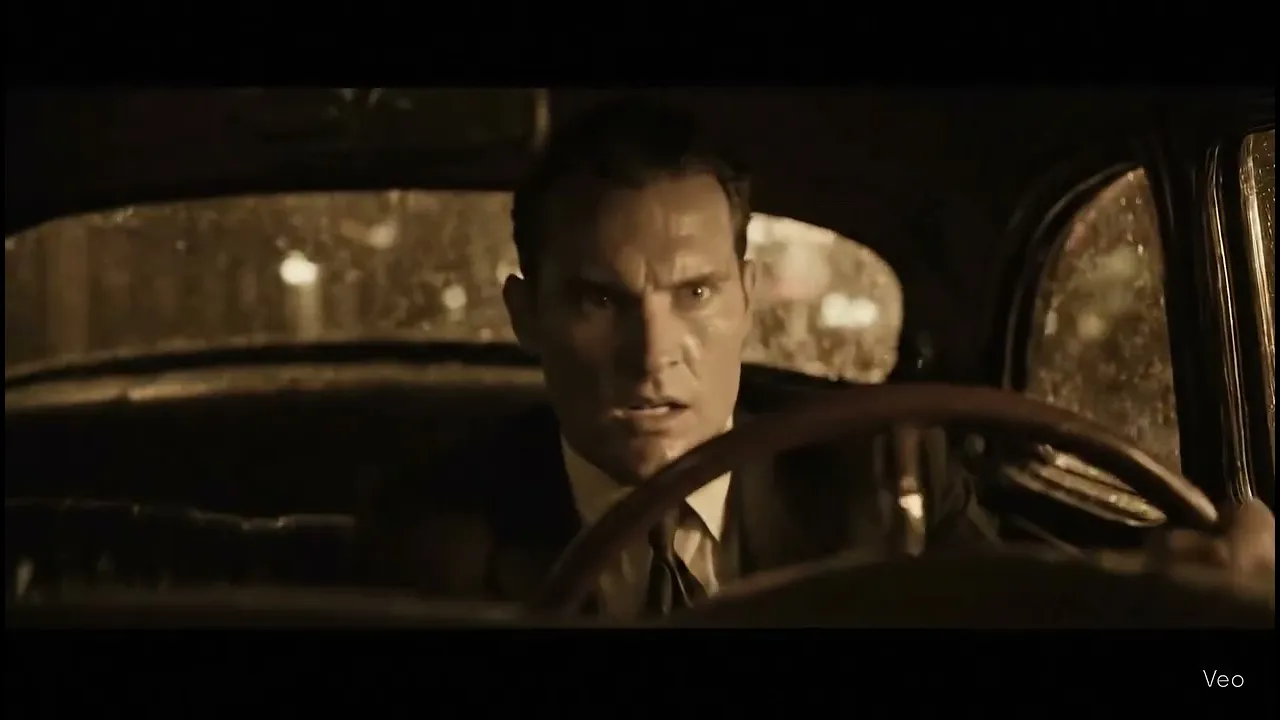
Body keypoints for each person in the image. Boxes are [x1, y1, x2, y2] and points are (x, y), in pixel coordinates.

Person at [359, 98, 1275, 618]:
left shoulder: (881, 479)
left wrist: (1201, 627)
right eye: (600, 301)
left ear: (747, 297)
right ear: (526, 316)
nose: (653, 356)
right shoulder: (432, 538)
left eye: (696, 294)